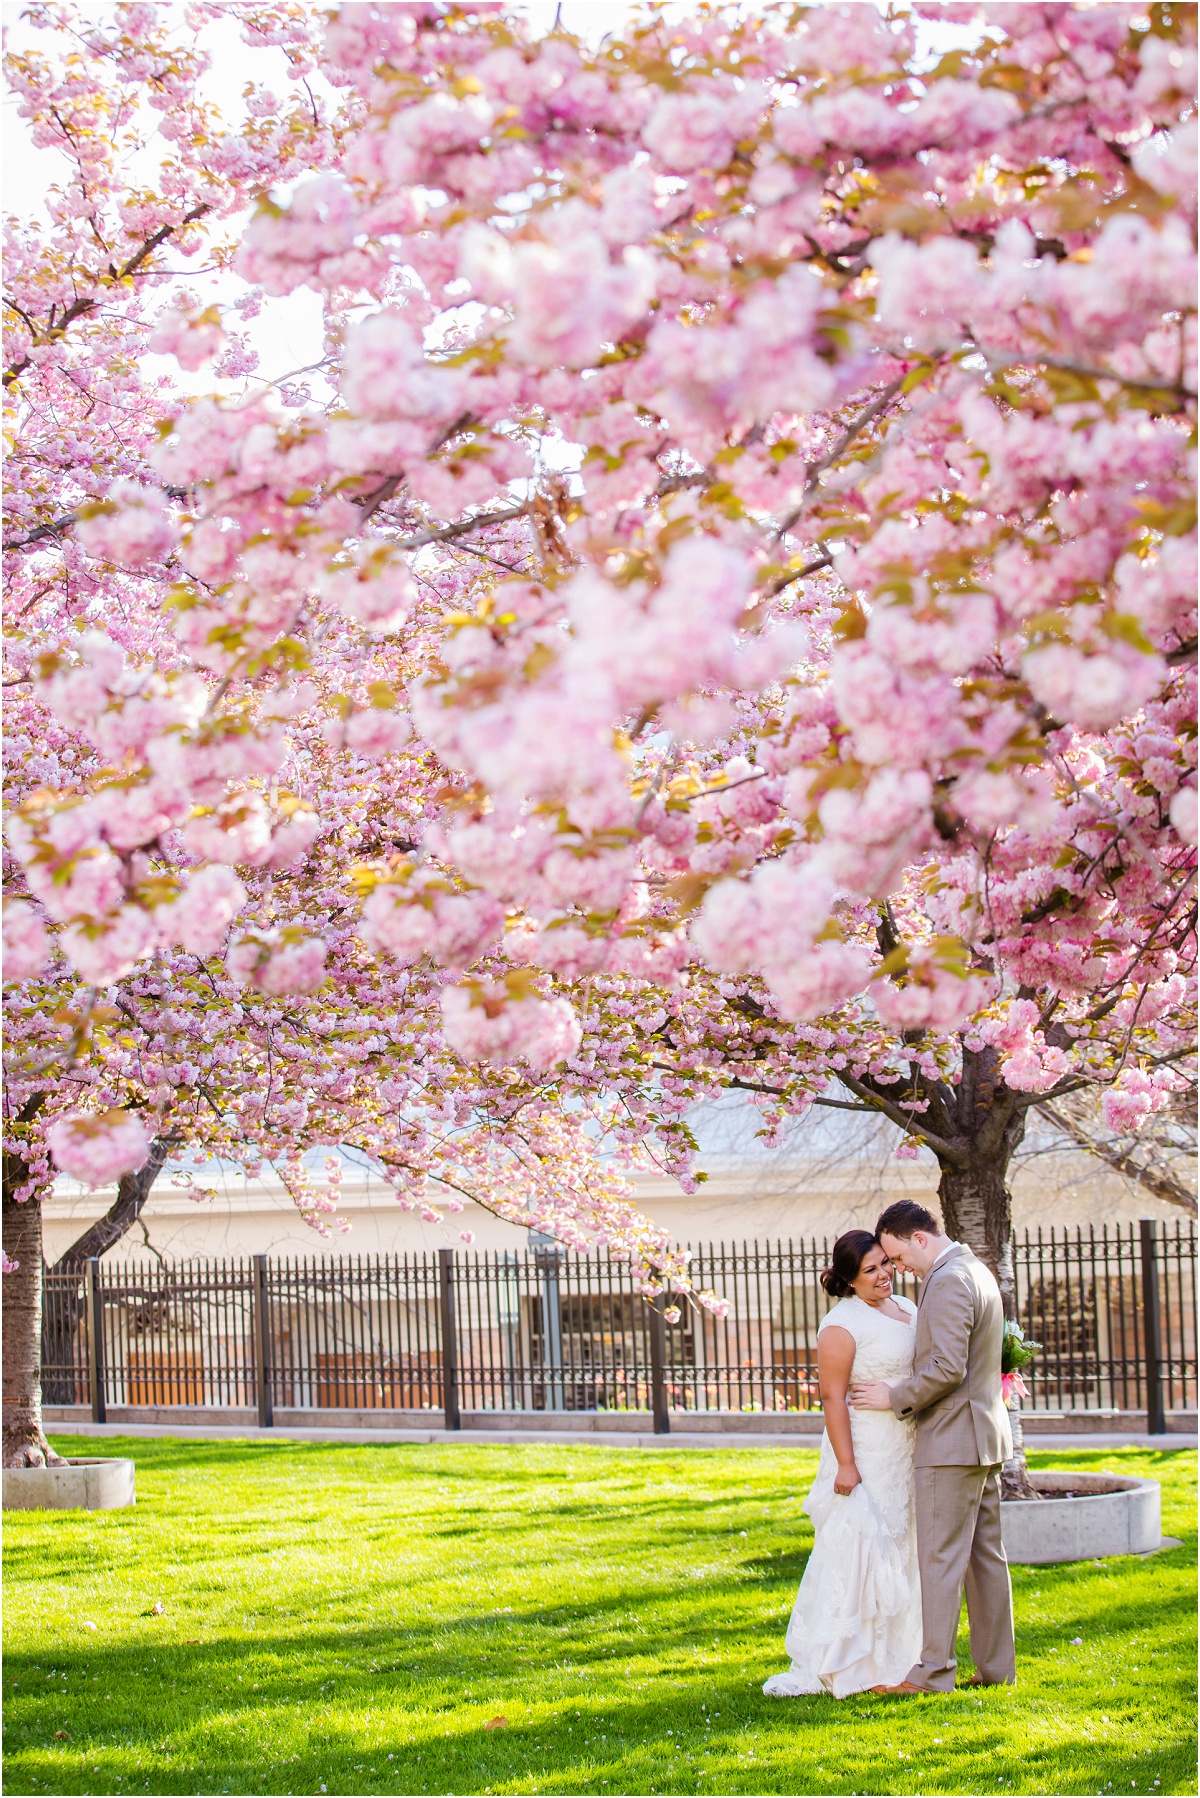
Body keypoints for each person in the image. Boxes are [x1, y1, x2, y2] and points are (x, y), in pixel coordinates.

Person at [851, 1199, 1016, 1694]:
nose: (898, 1269)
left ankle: (933, 1674)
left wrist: (893, 1396)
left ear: (919, 1239)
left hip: (951, 1440)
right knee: (986, 1558)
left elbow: (946, 1368)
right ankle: (996, 1670)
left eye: (898, 1257)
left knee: (941, 1558)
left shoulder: (945, 1281)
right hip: (983, 1436)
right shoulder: (976, 1270)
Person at [763, 1230, 922, 1699]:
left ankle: (902, 1652)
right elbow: (832, 1398)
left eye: (884, 1264)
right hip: (866, 1449)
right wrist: (847, 1465)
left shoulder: (909, 1309)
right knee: (864, 1547)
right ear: (850, 1281)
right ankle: (851, 1661)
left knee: (903, 1542)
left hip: (905, 1443)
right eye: (870, 1271)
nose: (883, 1275)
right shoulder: (840, 1324)